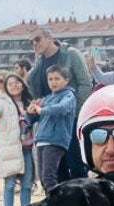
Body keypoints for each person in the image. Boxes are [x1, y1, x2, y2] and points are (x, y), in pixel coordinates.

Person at [27, 26, 94, 180]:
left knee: (76, 165)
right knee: (56, 171)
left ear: (49, 38)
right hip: (50, 122)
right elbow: (41, 93)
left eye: (37, 39)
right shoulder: (38, 64)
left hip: (70, 119)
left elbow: (85, 84)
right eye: (31, 42)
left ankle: (82, 202)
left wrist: (74, 112)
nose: (34, 44)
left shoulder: (71, 54)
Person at [0, 73, 35, 206]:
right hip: (11, 148)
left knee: (27, 184)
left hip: (28, 149)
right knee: (9, 184)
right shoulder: (3, 102)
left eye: (17, 83)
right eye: (10, 84)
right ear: (6, 87)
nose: (15, 86)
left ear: (23, 85)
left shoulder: (29, 102)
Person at [30, 66, 77, 195]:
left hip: (55, 140)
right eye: (50, 79)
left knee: (48, 177)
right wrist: (32, 110)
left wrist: (42, 110)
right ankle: (51, 203)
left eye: (57, 78)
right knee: (43, 178)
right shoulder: (47, 98)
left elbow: (61, 108)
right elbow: (32, 117)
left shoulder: (69, 95)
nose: (53, 82)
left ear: (66, 80)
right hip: (41, 140)